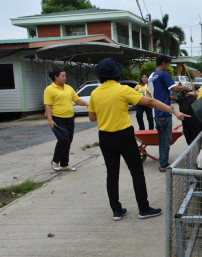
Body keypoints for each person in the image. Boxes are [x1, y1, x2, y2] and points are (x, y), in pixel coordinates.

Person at [88, 58, 189, 221]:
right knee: (136, 173)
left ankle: (116, 211)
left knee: (112, 174)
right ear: (117, 74)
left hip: (105, 137)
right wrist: (173, 111)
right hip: (124, 136)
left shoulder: (95, 93)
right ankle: (143, 209)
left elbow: (92, 117)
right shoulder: (122, 90)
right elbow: (149, 102)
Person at [148, 55, 191, 172]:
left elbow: (157, 93)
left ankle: (163, 161)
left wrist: (169, 97)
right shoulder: (163, 74)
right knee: (166, 141)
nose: (167, 67)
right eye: (167, 65)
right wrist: (185, 88)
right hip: (164, 113)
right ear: (163, 64)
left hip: (156, 114)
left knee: (162, 140)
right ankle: (164, 165)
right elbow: (175, 88)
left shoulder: (151, 76)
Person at [44, 68, 88, 171]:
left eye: (65, 76)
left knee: (68, 141)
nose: (65, 78)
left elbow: (77, 100)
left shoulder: (69, 88)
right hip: (57, 119)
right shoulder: (49, 89)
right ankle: (55, 161)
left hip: (70, 118)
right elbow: (48, 105)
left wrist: (86, 103)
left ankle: (64, 164)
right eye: (62, 76)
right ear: (56, 77)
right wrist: (50, 120)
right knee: (63, 139)